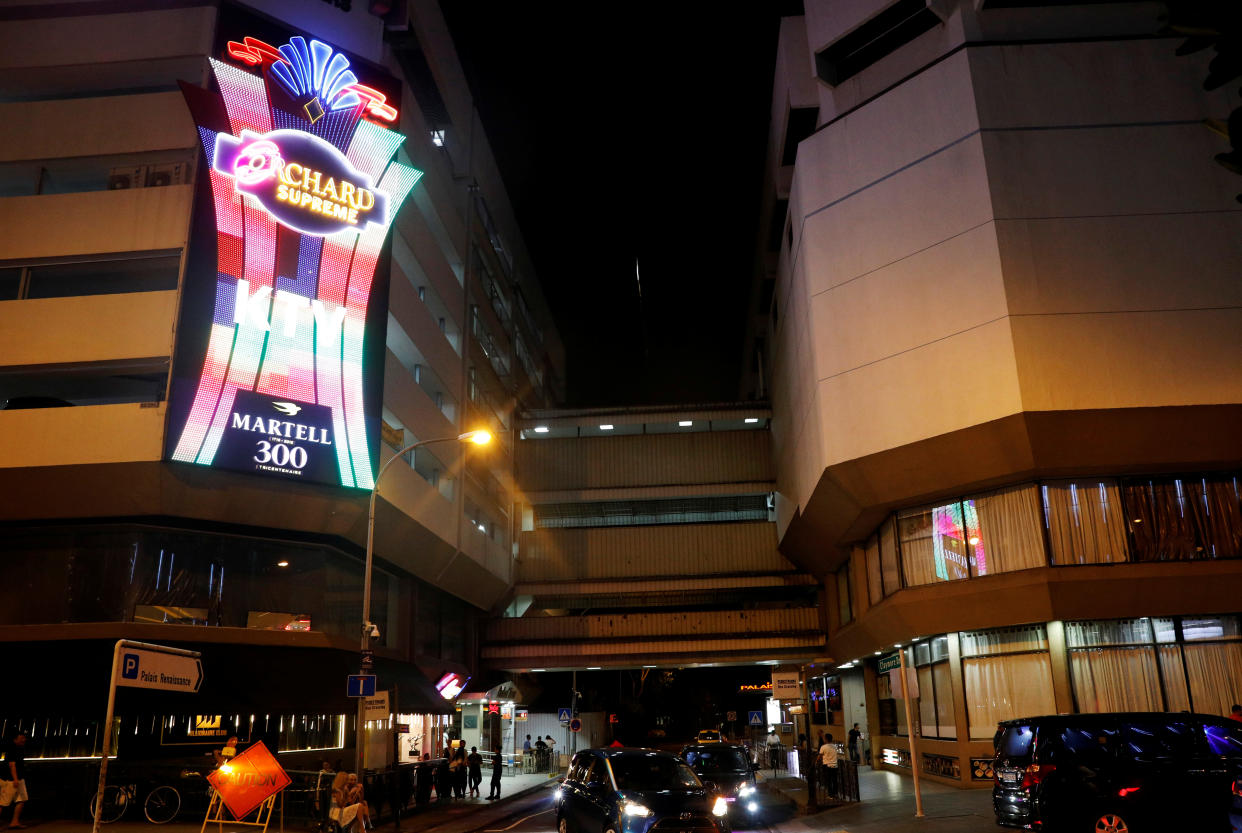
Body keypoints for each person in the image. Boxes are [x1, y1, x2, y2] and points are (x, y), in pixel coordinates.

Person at [0, 731, 28, 829]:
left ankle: (14, 822)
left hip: (19, 778)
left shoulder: (20, 749)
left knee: (22, 799)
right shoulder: (12, 749)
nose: (23, 740)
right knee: (3, 803)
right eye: (21, 739)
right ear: (15, 740)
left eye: (24, 738)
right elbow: (12, 765)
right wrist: (15, 779)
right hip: (10, 779)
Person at [818, 733, 839, 799]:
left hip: (827, 765)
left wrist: (816, 761)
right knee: (834, 780)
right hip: (835, 765)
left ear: (826, 739)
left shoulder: (823, 747)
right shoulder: (835, 746)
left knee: (828, 780)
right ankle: (836, 793)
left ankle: (830, 794)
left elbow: (820, 756)